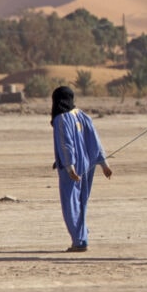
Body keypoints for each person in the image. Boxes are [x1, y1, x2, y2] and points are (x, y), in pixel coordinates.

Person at [50, 86, 113, 252]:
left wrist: (69, 167)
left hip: (72, 167)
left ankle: (79, 241)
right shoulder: (82, 115)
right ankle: (82, 234)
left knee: (71, 202)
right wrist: (104, 164)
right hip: (88, 164)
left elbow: (66, 144)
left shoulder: (61, 119)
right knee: (82, 201)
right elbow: (95, 140)